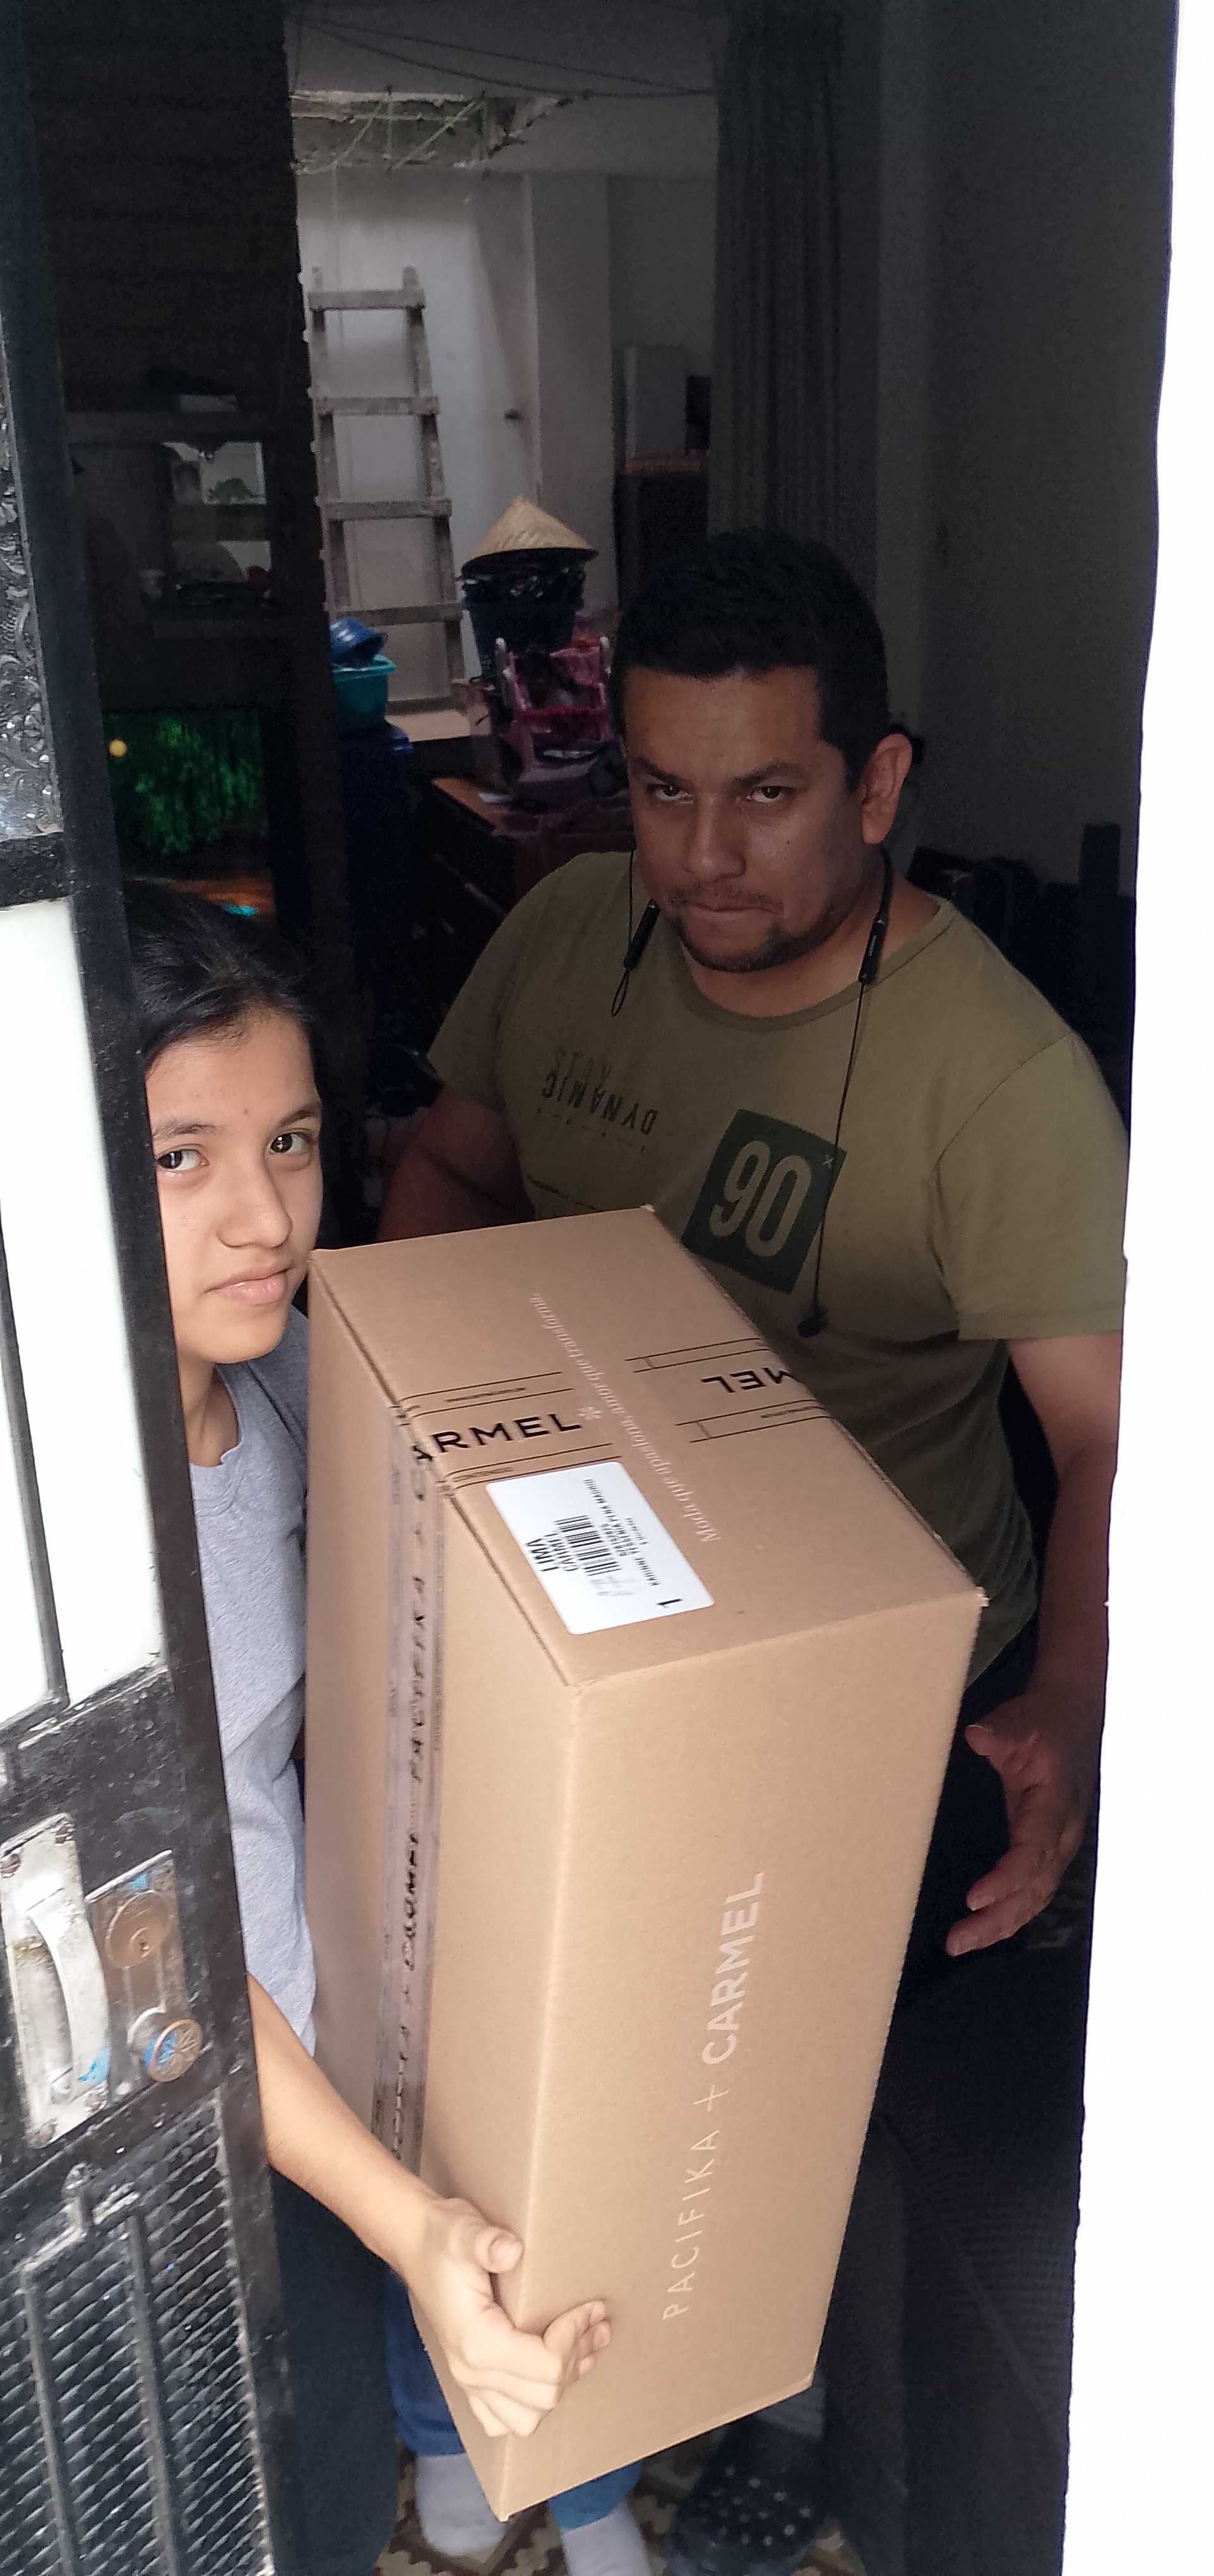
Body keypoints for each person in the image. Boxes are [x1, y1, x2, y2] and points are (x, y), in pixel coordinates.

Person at [379, 528, 1126, 2572]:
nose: (702, 858)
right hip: (581, 1608)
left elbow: (1108, 1439)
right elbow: (453, 1164)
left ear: (879, 786)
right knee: (559, 2033)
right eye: (660, 788)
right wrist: (404, 1452)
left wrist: (1071, 1700)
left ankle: (792, 2418)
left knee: (808, 2089)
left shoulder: (1001, 1082)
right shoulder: (573, 933)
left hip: (882, 1684)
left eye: (769, 794)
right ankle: (586, 2377)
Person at [128, 886, 647, 2576]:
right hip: (184, 2102)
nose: (264, 1214)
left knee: (343, 2474)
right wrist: (403, 2216)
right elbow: (162, 1932)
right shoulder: (59, 1550)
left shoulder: (286, 1384)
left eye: (287, 1140)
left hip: (322, 2025)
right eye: (179, 1158)